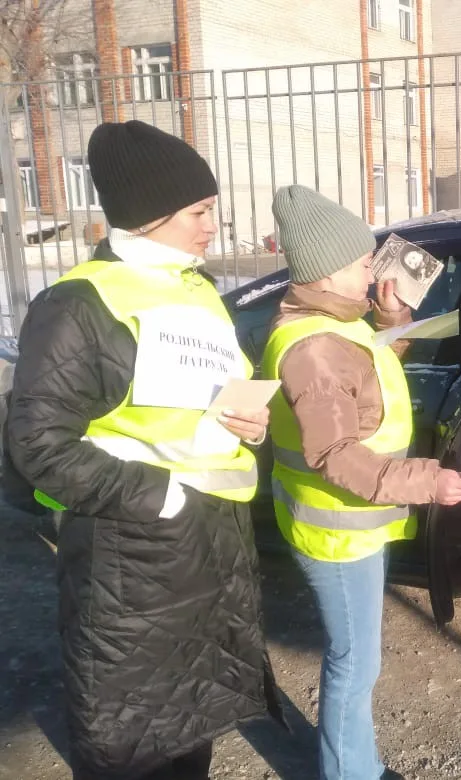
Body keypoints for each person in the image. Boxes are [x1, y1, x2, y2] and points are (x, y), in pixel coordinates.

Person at [5, 120, 283, 780]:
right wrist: (159, 495)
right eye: (200, 211)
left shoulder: (199, 290)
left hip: (209, 546)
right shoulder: (79, 304)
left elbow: (213, 396)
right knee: (131, 741)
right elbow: (37, 444)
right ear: (150, 214)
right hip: (131, 557)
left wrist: (249, 426)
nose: (212, 224)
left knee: (191, 728)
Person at [261, 185, 461, 780]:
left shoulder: (334, 325)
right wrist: (427, 481)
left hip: (350, 527)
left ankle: (357, 764)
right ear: (328, 274)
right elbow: (336, 453)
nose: (373, 271)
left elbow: (366, 371)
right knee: (354, 662)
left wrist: (392, 320)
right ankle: (350, 773)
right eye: (362, 264)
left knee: (358, 659)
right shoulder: (313, 349)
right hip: (336, 533)